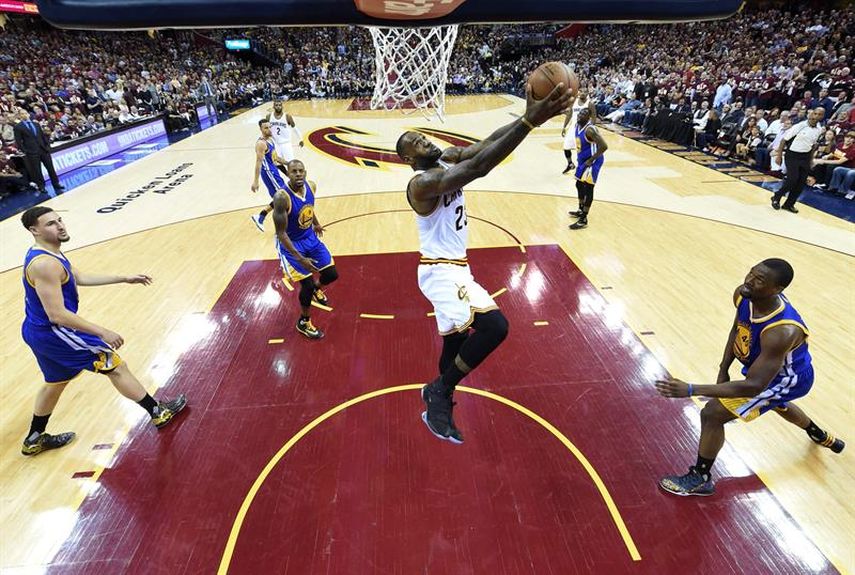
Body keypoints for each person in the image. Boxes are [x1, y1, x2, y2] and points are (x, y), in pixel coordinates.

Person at [396, 83, 571, 444]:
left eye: (420, 135)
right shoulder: (423, 183)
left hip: (456, 266)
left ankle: (439, 407)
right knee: (495, 327)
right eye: (414, 142)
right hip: (440, 269)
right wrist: (528, 123)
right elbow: (479, 167)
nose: (423, 140)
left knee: (455, 341)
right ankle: (439, 392)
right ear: (409, 160)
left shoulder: (446, 157)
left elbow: (487, 143)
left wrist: (529, 118)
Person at [655, 259, 844, 496]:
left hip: (786, 380)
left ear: (777, 289)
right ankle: (817, 433)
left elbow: (754, 386)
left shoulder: (782, 330)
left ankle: (700, 477)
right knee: (777, 405)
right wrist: (724, 368)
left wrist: (692, 389)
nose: (749, 281)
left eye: (759, 280)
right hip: (763, 370)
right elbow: (738, 328)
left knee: (713, 414)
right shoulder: (745, 295)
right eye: (751, 273)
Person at [18, 206, 187, 456]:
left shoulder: (48, 252)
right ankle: (157, 412)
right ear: (34, 230)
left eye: (60, 220)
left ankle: (34, 438)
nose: (60, 226)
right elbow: (58, 314)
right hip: (56, 331)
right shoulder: (44, 264)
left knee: (55, 382)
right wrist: (101, 331)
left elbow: (79, 277)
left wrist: (123, 278)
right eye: (51, 224)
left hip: (39, 331)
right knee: (115, 365)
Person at [270, 159, 338, 339]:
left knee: (331, 274)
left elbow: (309, 207)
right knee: (306, 285)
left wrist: (315, 223)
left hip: (309, 238)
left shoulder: (311, 186)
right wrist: (300, 258)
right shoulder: (282, 198)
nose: (298, 174)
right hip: (291, 244)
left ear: (305, 172)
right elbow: (281, 233)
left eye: (301, 171)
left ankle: (318, 288)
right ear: (288, 174)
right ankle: (304, 321)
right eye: (294, 171)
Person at [771, 107, 824, 213]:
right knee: (792, 179)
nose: (816, 116)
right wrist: (778, 155)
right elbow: (783, 140)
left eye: (819, 115)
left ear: (822, 117)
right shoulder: (800, 126)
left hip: (805, 156)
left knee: (800, 183)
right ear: (811, 113)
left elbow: (814, 145)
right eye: (815, 113)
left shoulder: (819, 130)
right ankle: (777, 196)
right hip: (792, 155)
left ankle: (789, 204)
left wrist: (811, 159)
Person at [569, 107, 608, 230]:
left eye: (584, 114)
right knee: (579, 184)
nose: (581, 114)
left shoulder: (590, 130)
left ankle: (584, 219)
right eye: (580, 112)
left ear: (589, 117)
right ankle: (581, 209)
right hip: (583, 161)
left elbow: (604, 146)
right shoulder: (577, 125)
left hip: (593, 161)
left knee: (588, 187)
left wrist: (591, 160)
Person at [13, 110, 64, 194]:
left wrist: (47, 146)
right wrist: (26, 151)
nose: (24, 115)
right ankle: (41, 186)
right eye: (22, 114)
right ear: (19, 116)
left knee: (50, 168)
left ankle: (56, 183)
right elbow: (19, 141)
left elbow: (42, 136)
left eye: (25, 113)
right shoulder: (18, 127)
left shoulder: (36, 124)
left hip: (43, 149)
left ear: (28, 114)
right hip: (32, 152)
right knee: (37, 170)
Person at [250, 119, 288, 231]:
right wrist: (255, 181)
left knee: (281, 199)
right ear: (261, 129)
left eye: (269, 127)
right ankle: (282, 230)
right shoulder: (261, 144)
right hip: (268, 173)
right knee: (283, 198)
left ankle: (261, 217)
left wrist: (289, 164)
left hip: (274, 171)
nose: (268, 129)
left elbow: (275, 158)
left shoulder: (271, 140)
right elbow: (258, 162)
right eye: (265, 128)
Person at [560, 90, 595, 174]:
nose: (582, 93)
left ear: (587, 94)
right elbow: (569, 115)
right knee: (566, 146)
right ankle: (570, 164)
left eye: (585, 92)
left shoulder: (590, 104)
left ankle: (583, 168)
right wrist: (564, 126)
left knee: (580, 150)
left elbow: (594, 117)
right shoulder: (574, 102)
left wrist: (590, 128)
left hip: (583, 129)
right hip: (573, 128)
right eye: (581, 91)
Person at [266, 99, 304, 175]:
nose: (278, 107)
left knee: (291, 163)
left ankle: (294, 177)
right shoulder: (269, 116)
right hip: (275, 143)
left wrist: (301, 139)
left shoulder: (287, 116)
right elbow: (267, 129)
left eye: (280, 105)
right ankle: (288, 175)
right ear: (273, 106)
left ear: (282, 106)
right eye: (276, 105)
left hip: (286, 143)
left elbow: (294, 128)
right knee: (276, 162)